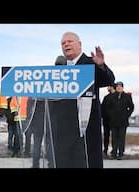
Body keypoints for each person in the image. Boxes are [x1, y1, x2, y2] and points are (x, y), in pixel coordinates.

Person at [50, 32, 115, 168]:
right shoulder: (59, 69)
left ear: (79, 44)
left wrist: (101, 66)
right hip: (63, 130)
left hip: (86, 129)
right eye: (63, 43)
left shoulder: (90, 63)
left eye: (69, 41)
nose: (66, 44)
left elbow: (108, 80)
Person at [105, 81, 134, 160]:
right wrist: (110, 115)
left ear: (122, 87)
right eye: (117, 86)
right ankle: (114, 153)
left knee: (121, 138)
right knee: (114, 138)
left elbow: (131, 107)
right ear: (115, 87)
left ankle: (121, 154)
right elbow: (107, 107)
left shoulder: (127, 96)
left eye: (120, 86)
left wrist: (127, 115)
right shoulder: (112, 96)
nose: (118, 87)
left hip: (123, 121)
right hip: (113, 121)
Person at [101, 84, 116, 158]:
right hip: (106, 120)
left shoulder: (117, 96)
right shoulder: (106, 97)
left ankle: (114, 151)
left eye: (109, 87)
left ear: (112, 87)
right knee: (106, 136)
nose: (107, 88)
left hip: (114, 120)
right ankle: (105, 150)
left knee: (114, 136)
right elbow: (102, 108)